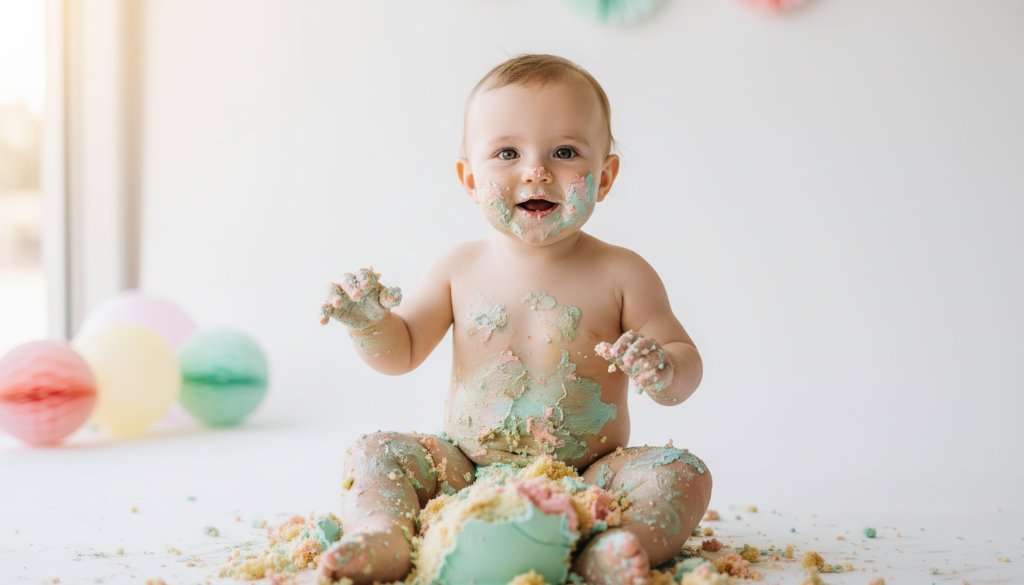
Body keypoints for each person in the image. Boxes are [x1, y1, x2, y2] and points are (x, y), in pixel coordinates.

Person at [318, 54, 711, 585]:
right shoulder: (458, 268)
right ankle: (383, 532)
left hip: (593, 477)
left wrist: (663, 369)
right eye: (507, 152)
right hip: (463, 469)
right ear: (470, 178)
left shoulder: (624, 273)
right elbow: (402, 352)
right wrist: (369, 324)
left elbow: (684, 364)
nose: (536, 171)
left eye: (565, 152)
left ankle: (620, 545)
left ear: (605, 176)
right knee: (376, 452)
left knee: (681, 473)